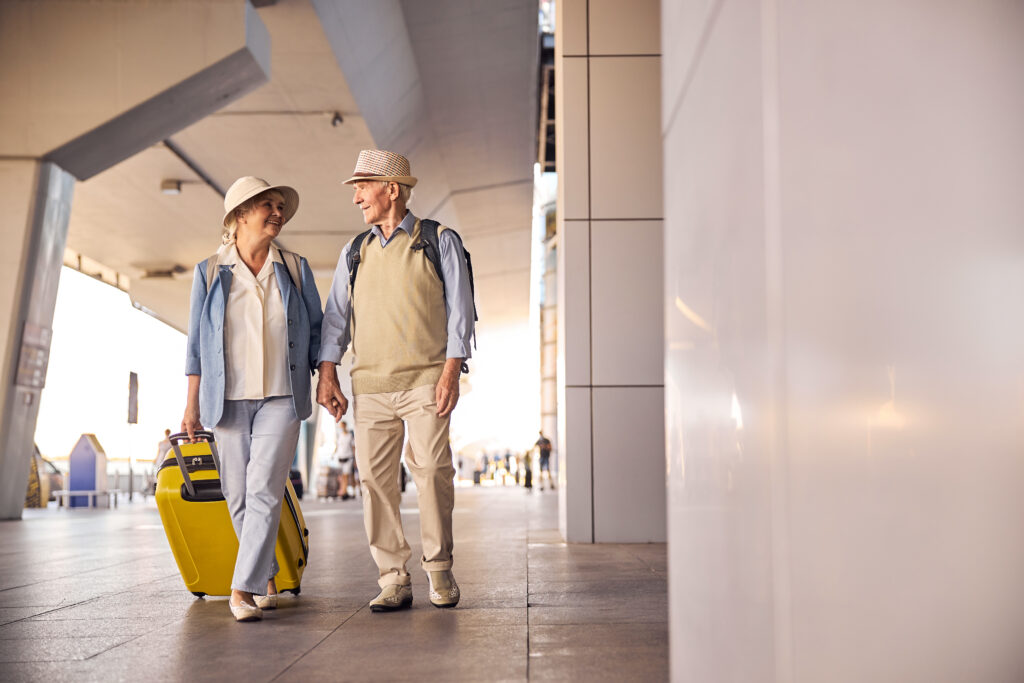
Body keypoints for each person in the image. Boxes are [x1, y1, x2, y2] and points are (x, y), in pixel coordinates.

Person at [317, 149, 474, 612]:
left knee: (431, 473)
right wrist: (328, 373)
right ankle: (393, 577)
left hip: (427, 380)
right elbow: (335, 321)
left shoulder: (438, 240)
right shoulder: (354, 252)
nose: (356, 198)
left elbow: (461, 313)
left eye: (362, 186)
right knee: (375, 481)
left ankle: (439, 568)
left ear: (392, 189)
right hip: (370, 385)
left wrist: (451, 370)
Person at [181, 176, 323, 622]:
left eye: (280, 205)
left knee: (264, 489)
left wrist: (329, 380)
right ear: (240, 215)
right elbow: (196, 346)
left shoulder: (295, 268)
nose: (278, 212)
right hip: (228, 399)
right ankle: (264, 577)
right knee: (238, 493)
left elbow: (317, 331)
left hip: (283, 394)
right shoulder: (209, 272)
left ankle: (240, 589)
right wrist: (190, 404)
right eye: (268, 204)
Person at [335, 420, 355, 500]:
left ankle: (344, 492)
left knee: (346, 475)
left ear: (345, 426)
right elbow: (337, 446)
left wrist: (355, 459)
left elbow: (353, 447)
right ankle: (344, 491)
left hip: (348, 457)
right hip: (340, 457)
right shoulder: (340, 436)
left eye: (342, 426)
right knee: (342, 476)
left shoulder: (350, 436)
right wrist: (333, 455)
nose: (341, 428)